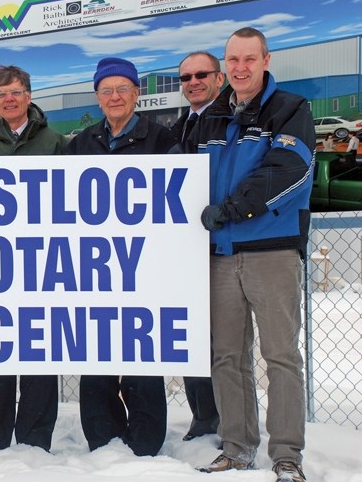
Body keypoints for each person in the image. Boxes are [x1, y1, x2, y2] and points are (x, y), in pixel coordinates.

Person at [191, 27, 313, 482]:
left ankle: (287, 455)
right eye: (232, 60)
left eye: (249, 59)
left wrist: (232, 208)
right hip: (221, 253)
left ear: (265, 60)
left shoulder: (289, 109)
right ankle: (237, 446)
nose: (240, 68)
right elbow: (181, 177)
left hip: (270, 252)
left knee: (281, 356)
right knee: (227, 355)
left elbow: (289, 169)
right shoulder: (210, 118)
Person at [64, 57, 175, 457]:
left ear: (136, 93)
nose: (114, 97)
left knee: (141, 350)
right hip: (94, 266)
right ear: (97, 96)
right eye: (106, 90)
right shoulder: (80, 144)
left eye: (122, 88)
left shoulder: (162, 140)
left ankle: (146, 441)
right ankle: (103, 438)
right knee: (97, 351)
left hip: (144, 264)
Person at [0, 64, 67, 453]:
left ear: (29, 95)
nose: (9, 100)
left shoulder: (55, 142)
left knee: (40, 347)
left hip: (41, 262)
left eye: (16, 92)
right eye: (1, 94)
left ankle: (35, 439)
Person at [171, 51, 223, 441]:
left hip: (223, 246)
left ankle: (228, 419)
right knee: (193, 336)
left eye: (201, 74)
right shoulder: (179, 128)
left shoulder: (233, 121)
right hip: (184, 251)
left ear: (219, 78)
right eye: (186, 77)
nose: (193, 82)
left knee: (225, 342)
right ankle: (203, 416)